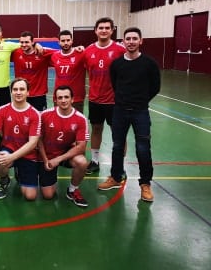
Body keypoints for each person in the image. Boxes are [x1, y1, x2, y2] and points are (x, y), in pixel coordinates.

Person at [98, 27, 160, 202]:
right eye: (128, 39)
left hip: (140, 112)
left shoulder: (149, 64)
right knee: (117, 146)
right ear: (123, 42)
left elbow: (155, 87)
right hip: (120, 111)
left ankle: (145, 184)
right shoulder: (117, 64)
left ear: (141, 41)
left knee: (143, 148)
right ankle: (115, 177)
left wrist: (140, 101)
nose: (131, 41)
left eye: (134, 38)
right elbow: (115, 84)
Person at [84, 17, 126, 175]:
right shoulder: (88, 51)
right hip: (95, 99)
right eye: (100, 28)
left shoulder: (120, 50)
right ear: (95, 30)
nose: (103, 30)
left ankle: (119, 165)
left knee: (118, 132)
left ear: (112, 30)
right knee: (96, 129)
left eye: (107, 28)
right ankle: (95, 160)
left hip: (115, 100)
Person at [0, 78, 41, 200]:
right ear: (11, 92)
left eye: (22, 89)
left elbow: (33, 143)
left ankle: (19, 170)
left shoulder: (35, 114)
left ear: (28, 92)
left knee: (30, 196)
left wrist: (13, 157)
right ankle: (4, 180)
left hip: (27, 154)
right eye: (15, 89)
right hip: (8, 148)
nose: (18, 92)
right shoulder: (2, 110)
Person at [39, 86, 90, 207]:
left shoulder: (80, 119)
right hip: (48, 155)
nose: (63, 100)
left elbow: (81, 147)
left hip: (65, 154)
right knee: (48, 195)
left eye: (66, 97)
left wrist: (59, 159)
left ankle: (72, 190)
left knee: (82, 162)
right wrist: (46, 159)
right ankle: (48, 179)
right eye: (60, 97)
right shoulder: (45, 115)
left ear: (72, 99)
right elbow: (38, 140)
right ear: (55, 100)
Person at [11, 31, 54, 111]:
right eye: (22, 42)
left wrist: (75, 49)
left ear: (33, 42)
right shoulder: (16, 53)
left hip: (38, 96)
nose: (24, 45)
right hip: (21, 94)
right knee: (21, 119)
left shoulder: (42, 52)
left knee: (40, 120)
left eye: (26, 42)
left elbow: (62, 53)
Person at [51, 30, 86, 114]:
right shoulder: (54, 55)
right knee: (59, 123)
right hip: (59, 97)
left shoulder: (81, 54)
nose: (66, 43)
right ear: (59, 42)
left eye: (68, 40)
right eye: (63, 41)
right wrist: (36, 44)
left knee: (76, 124)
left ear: (72, 41)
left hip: (76, 98)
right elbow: (43, 50)